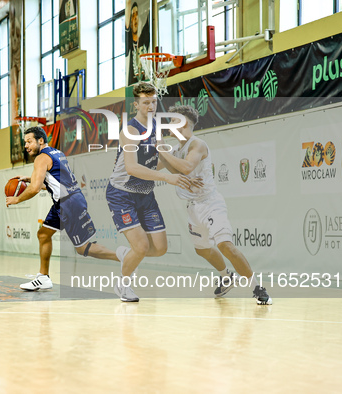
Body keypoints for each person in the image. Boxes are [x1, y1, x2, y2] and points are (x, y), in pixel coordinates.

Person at [158, 105, 272, 305]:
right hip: (193, 208)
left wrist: (161, 149)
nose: (169, 126)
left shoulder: (197, 144)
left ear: (184, 124)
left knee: (224, 245)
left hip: (211, 203)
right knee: (201, 250)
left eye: (173, 121)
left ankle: (257, 288)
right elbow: (156, 165)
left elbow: (185, 167)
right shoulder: (175, 150)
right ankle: (226, 276)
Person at [106, 82, 199, 302]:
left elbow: (158, 160)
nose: (151, 106)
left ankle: (127, 255)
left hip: (145, 192)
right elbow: (132, 168)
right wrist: (168, 177)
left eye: (154, 101)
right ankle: (123, 285)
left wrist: (183, 174)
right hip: (122, 193)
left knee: (159, 248)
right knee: (141, 246)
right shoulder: (130, 131)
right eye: (146, 102)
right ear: (136, 105)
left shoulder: (156, 126)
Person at [6, 126, 121, 291]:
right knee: (43, 234)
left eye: (29, 141)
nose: (26, 145)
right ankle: (43, 277)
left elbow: (35, 188)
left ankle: (124, 257)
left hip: (69, 204)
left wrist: (17, 199)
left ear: (40, 140)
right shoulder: (57, 153)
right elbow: (54, 184)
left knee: (83, 248)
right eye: (25, 143)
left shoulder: (41, 159)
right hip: (66, 201)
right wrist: (29, 178)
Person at [126, 1, 150, 85]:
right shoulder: (129, 43)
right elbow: (128, 4)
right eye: (133, 15)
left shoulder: (144, 38)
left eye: (137, 14)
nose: (135, 17)